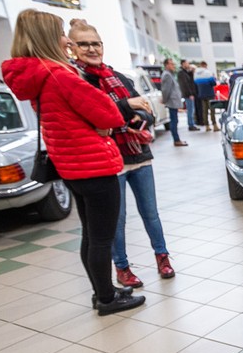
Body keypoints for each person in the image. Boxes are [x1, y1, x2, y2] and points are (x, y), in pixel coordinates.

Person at [2, 9, 144, 315]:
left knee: (91, 235)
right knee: (102, 238)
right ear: (49, 38)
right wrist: (106, 120)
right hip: (94, 166)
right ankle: (107, 299)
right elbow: (110, 115)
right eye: (62, 34)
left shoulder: (36, 76)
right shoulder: (59, 75)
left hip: (71, 167)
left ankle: (101, 292)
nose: (67, 39)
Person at [69, 19, 177, 288]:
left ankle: (162, 257)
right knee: (116, 220)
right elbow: (94, 116)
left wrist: (138, 117)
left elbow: (145, 111)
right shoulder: (75, 80)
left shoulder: (120, 78)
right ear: (72, 47)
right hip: (107, 161)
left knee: (150, 213)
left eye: (96, 43)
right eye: (84, 44)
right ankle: (122, 268)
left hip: (139, 154)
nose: (91, 49)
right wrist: (127, 107)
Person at [159, 58, 187, 147]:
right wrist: (165, 99)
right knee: (174, 121)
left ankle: (177, 139)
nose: (173, 66)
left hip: (173, 101)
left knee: (175, 120)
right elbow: (166, 89)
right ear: (166, 65)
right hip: (172, 101)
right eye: (171, 64)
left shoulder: (169, 74)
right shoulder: (167, 75)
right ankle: (176, 139)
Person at [194, 61, 217, 131]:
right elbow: (213, 83)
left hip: (201, 94)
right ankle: (214, 125)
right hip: (209, 93)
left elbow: (195, 83)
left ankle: (207, 126)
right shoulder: (208, 72)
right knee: (212, 110)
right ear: (205, 65)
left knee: (205, 110)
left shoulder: (196, 74)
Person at [178, 59, 199, 131]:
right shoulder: (181, 73)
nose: (188, 65)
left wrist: (191, 72)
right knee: (190, 110)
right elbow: (185, 85)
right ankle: (191, 124)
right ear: (183, 64)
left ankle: (192, 123)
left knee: (191, 109)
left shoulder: (185, 73)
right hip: (188, 95)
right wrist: (190, 94)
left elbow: (190, 81)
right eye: (187, 63)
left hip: (189, 94)